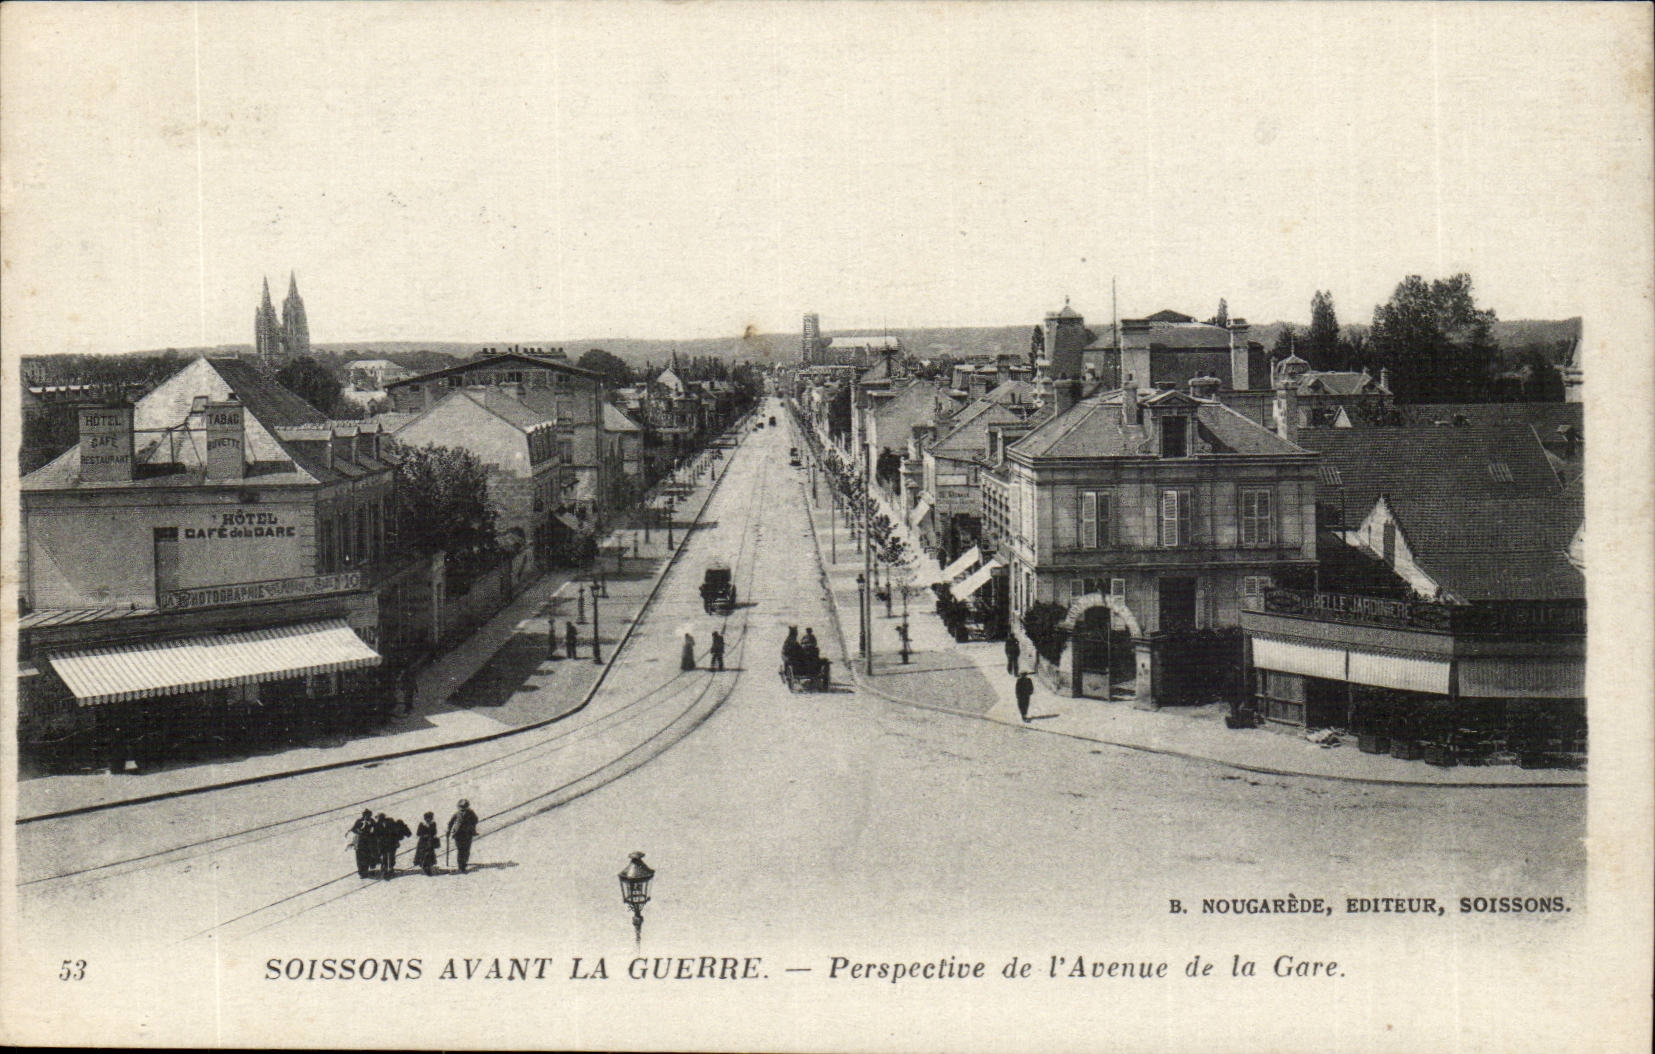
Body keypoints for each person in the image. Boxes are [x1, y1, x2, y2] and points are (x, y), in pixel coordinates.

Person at [447, 799, 479, 874]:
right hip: (458, 834)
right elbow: (450, 822)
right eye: (461, 807)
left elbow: (476, 820)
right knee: (460, 850)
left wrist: (470, 825)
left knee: (466, 850)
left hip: (468, 834)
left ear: (467, 807)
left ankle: (464, 863)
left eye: (464, 807)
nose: (462, 809)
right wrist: (448, 831)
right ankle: (461, 866)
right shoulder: (457, 814)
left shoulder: (471, 813)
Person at [378, 813, 411, 879]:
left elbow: (395, 832)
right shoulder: (378, 824)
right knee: (384, 856)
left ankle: (390, 869)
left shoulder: (391, 822)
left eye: (381, 818)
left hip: (391, 843)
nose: (380, 820)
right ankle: (385, 868)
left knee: (391, 856)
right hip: (383, 844)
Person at [349, 809, 377, 879]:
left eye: (368, 815)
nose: (367, 816)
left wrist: (373, 831)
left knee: (369, 857)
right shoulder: (359, 821)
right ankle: (362, 873)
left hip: (369, 843)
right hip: (360, 843)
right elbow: (353, 829)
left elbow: (377, 830)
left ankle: (369, 871)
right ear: (363, 815)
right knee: (360, 858)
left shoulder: (372, 821)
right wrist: (359, 831)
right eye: (365, 815)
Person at [413, 812, 441, 876]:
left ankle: (428, 868)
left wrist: (432, 836)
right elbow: (418, 833)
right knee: (423, 855)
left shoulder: (433, 824)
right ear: (425, 819)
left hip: (430, 842)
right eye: (427, 819)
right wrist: (425, 835)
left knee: (429, 856)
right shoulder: (422, 824)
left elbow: (435, 832)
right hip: (423, 843)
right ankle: (425, 868)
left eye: (430, 819)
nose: (429, 820)